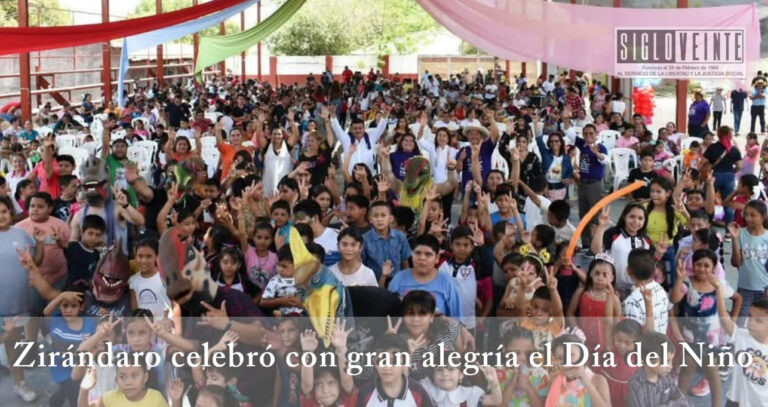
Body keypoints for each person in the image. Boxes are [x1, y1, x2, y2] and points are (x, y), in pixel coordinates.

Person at [388, 234, 463, 318]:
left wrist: (444, 322)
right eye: (417, 253)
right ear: (412, 254)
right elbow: (388, 315)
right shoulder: (399, 279)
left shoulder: (447, 283)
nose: (422, 258)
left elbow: (458, 322)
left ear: (437, 258)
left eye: (428, 254)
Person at [626, 332, 688, 407]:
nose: (670, 366)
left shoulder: (666, 377)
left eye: (671, 361)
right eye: (666, 361)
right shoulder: (636, 385)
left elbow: (682, 401)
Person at [700, 126, 742, 227]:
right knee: (728, 204)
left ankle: (707, 226)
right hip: (729, 177)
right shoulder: (734, 149)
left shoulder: (712, 147)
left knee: (708, 201)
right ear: (729, 135)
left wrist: (702, 171)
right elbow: (740, 166)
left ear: (718, 135)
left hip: (713, 176)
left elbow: (703, 162)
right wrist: (731, 172)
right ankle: (728, 232)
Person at [622, 249, 669, 333]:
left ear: (628, 271)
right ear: (654, 270)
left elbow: (632, 336)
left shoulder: (631, 302)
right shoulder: (661, 290)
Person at [362, 201, 412, 279]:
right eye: (375, 216)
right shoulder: (365, 239)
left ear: (390, 218)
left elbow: (405, 263)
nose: (379, 219)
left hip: (396, 281)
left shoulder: (400, 237)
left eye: (383, 215)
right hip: (374, 282)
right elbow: (362, 265)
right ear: (370, 219)